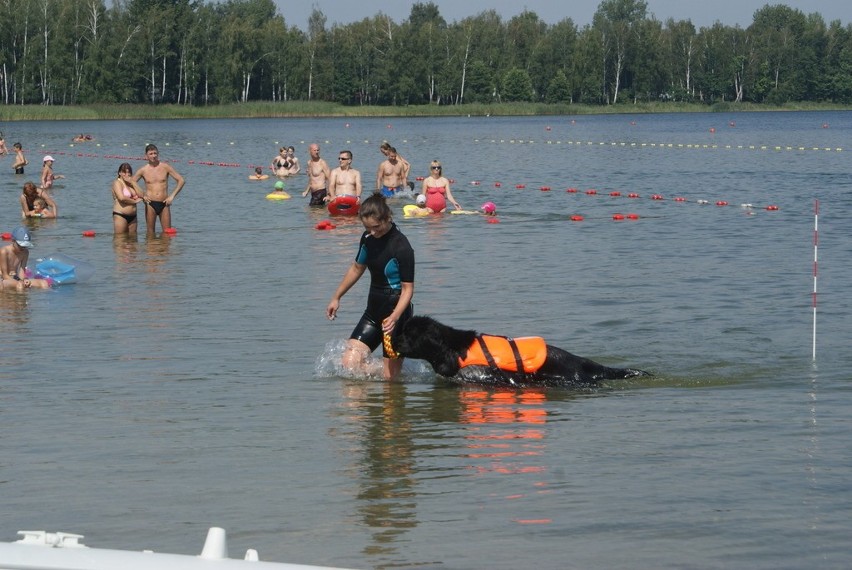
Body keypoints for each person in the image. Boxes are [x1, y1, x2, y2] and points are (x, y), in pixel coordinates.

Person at [326, 193, 415, 380]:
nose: (373, 232)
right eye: (367, 228)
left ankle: (394, 373)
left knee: (390, 381)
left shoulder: (401, 246)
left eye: (376, 227)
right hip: (373, 314)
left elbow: (408, 290)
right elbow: (357, 268)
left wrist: (394, 317)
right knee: (349, 365)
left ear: (387, 218)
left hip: (396, 318)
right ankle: (363, 401)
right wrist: (337, 297)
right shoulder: (367, 238)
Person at [134, 143, 185, 234]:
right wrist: (142, 195)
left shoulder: (165, 167)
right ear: (146, 156)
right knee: (150, 233)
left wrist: (172, 196)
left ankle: (164, 248)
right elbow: (132, 183)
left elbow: (181, 180)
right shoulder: (143, 170)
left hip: (164, 203)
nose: (153, 156)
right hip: (150, 204)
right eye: (151, 154)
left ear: (158, 154)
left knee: (168, 233)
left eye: (155, 153)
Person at [112, 163, 144, 234]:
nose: (127, 174)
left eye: (129, 172)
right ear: (119, 173)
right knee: (120, 240)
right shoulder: (117, 183)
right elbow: (122, 198)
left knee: (133, 241)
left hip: (133, 217)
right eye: (124, 172)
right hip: (121, 215)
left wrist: (133, 182)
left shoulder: (131, 184)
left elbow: (142, 195)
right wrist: (135, 201)